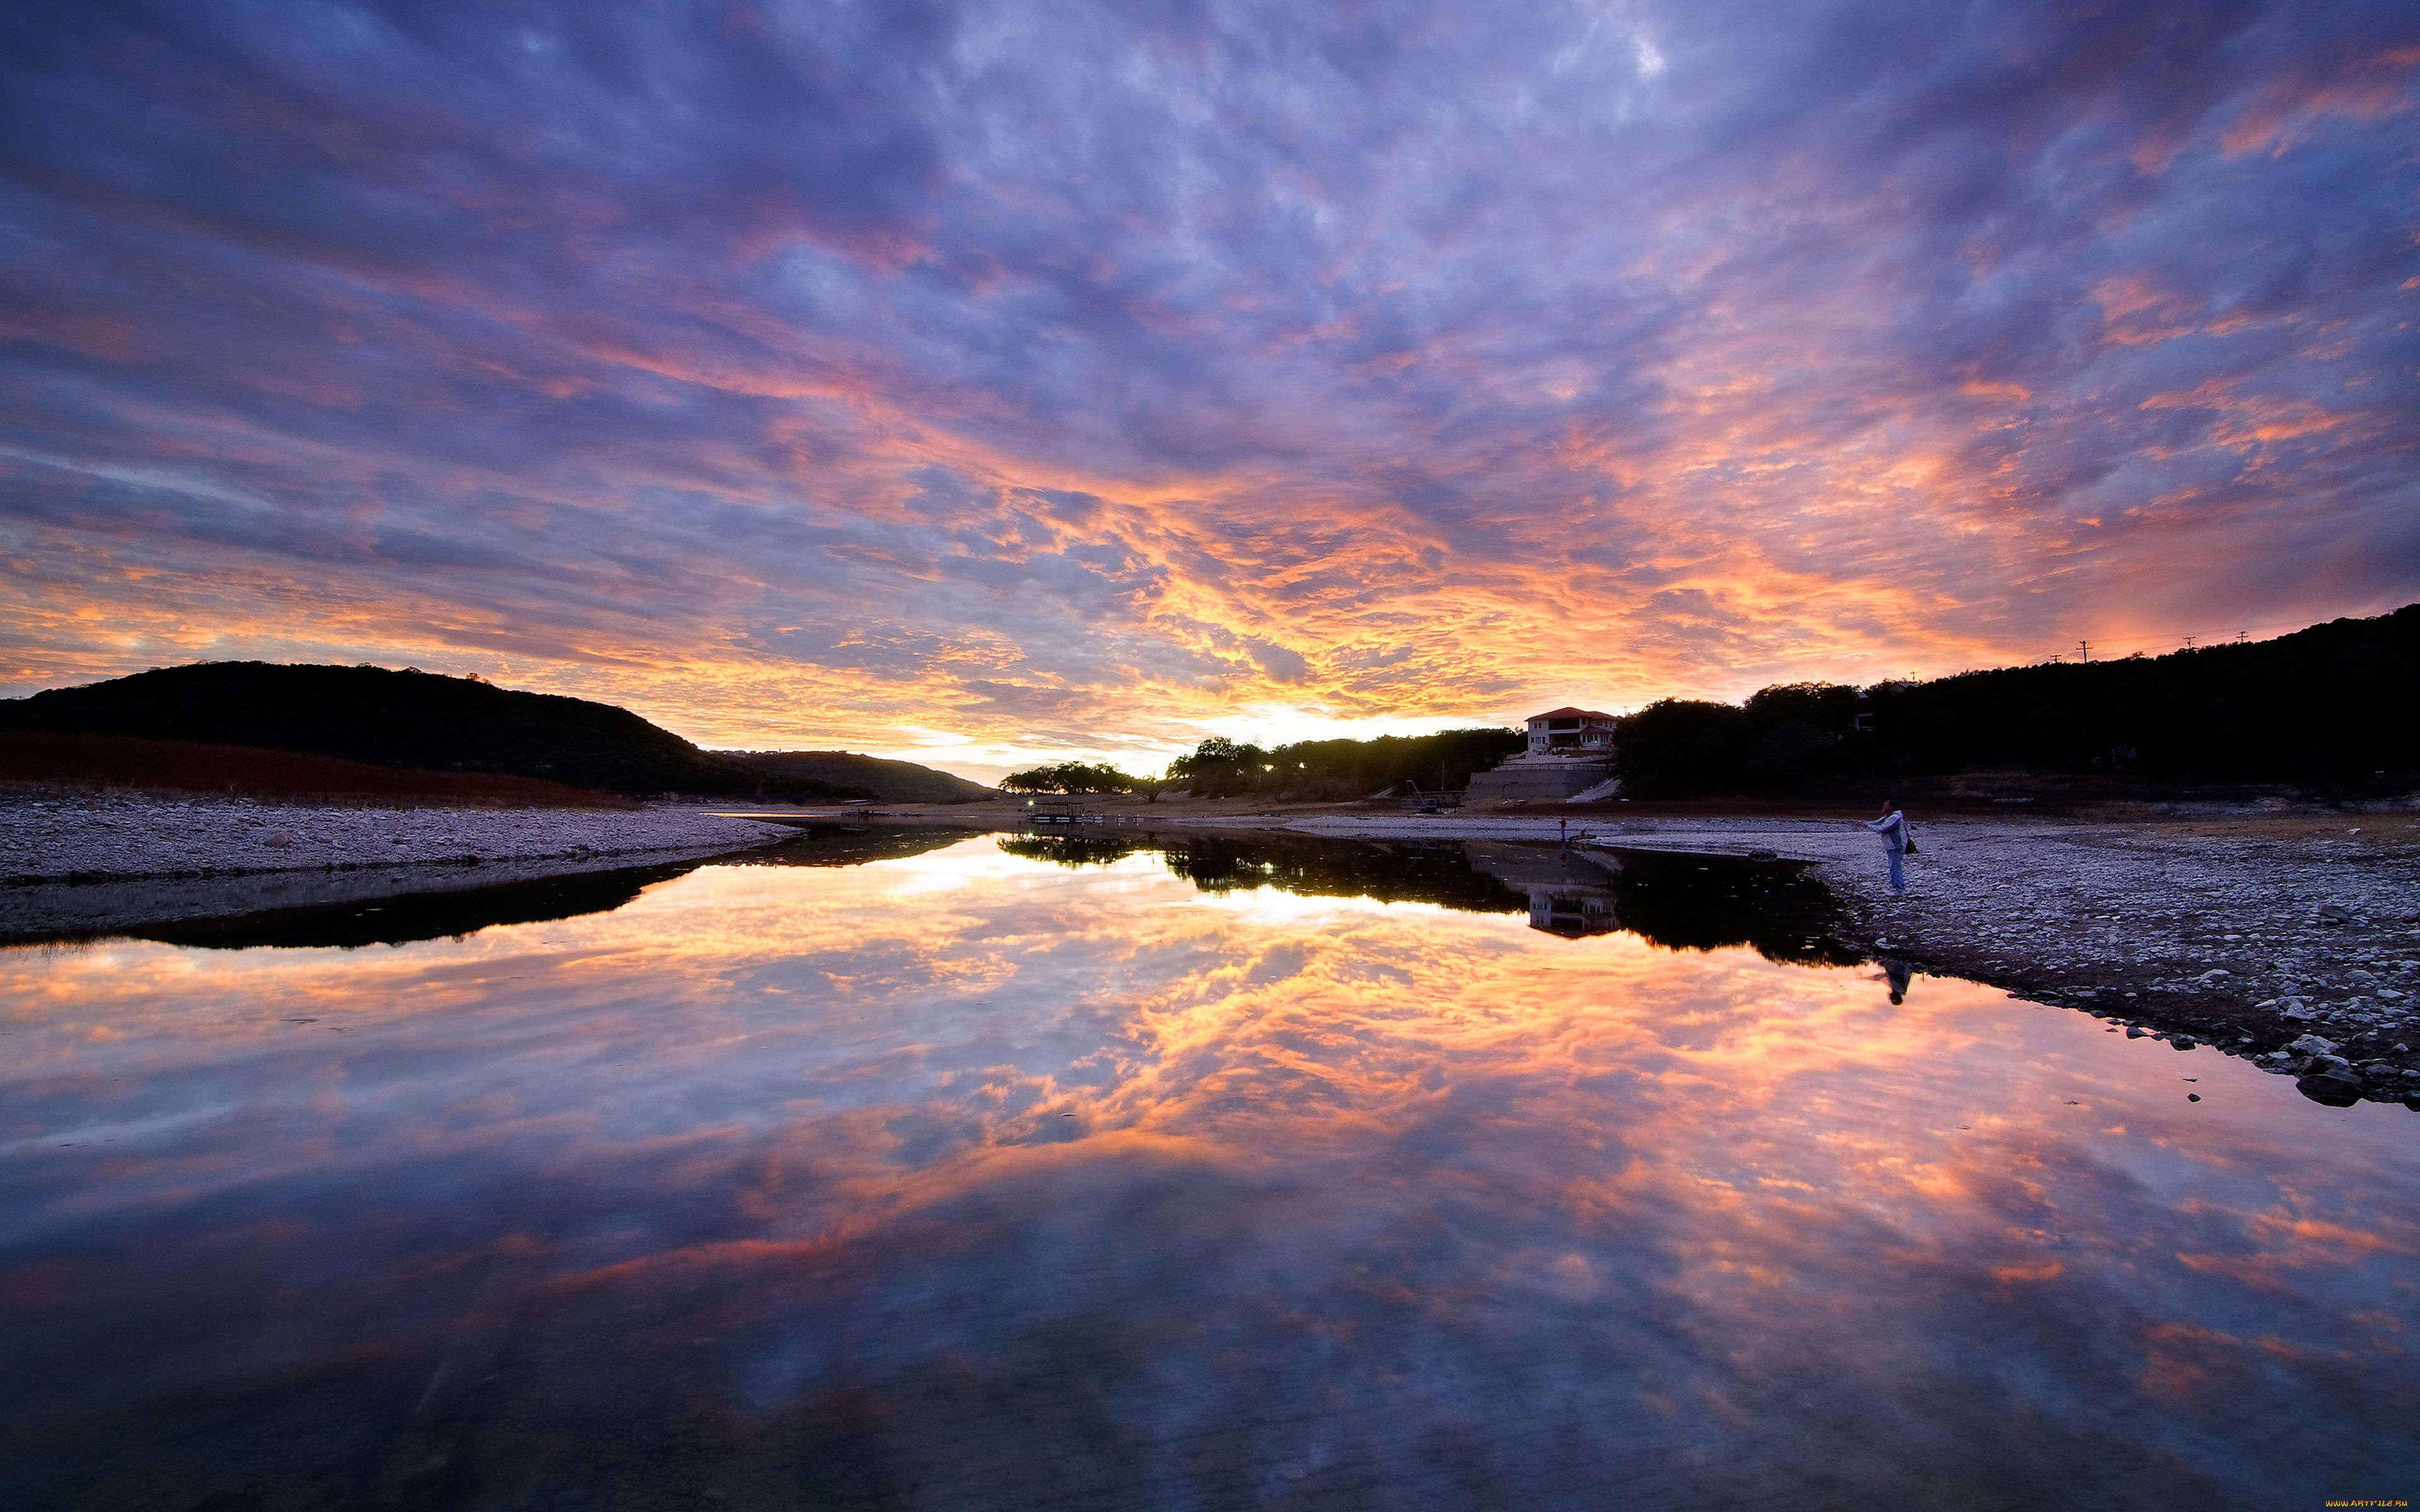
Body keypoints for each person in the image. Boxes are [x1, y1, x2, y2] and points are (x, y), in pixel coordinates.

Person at [1863, 797, 1913, 895]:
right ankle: (1898, 888)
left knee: (1895, 867)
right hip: (1892, 846)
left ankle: (1899, 889)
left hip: (1896, 846)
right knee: (1893, 867)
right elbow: (1877, 822)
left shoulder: (1895, 817)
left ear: (1891, 807)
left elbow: (1883, 828)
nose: (1883, 806)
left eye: (1885, 805)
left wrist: (1867, 826)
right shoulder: (1888, 816)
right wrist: (1864, 824)